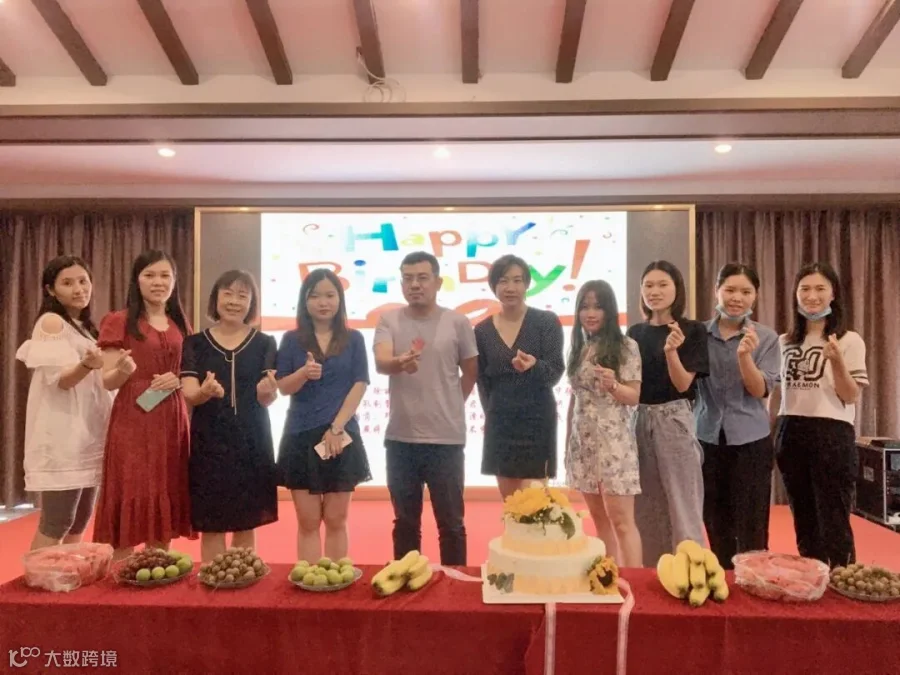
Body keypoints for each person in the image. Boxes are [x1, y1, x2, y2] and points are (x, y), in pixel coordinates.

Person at [373, 251, 478, 566]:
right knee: (405, 522)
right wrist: (399, 363)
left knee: (452, 523)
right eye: (408, 278)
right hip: (401, 439)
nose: (414, 284)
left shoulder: (457, 322)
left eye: (422, 277)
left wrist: (450, 404)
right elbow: (381, 362)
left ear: (438, 282)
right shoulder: (389, 320)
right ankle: (406, 582)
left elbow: (470, 372)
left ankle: (455, 584)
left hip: (446, 440)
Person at [93, 250, 193, 558]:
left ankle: (157, 571)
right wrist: (123, 371)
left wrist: (178, 379)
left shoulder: (179, 322)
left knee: (166, 488)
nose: (158, 282)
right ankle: (121, 575)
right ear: (136, 280)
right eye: (149, 275)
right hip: (134, 418)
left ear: (174, 281)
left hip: (172, 419)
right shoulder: (118, 321)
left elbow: (190, 371)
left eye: (165, 276)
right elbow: (108, 381)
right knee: (132, 487)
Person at [769, 262, 868, 568]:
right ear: (796, 294)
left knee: (834, 516)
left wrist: (836, 361)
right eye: (805, 289)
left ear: (833, 294)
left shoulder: (849, 340)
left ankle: (842, 580)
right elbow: (777, 394)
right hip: (790, 429)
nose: (812, 296)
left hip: (832, 432)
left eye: (820, 288)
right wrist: (769, 433)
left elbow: (850, 395)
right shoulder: (784, 341)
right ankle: (812, 578)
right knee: (804, 518)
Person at [16, 256, 114, 551]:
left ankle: (68, 572)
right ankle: (38, 575)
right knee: (57, 522)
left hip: (88, 435)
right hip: (63, 438)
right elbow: (61, 380)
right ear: (50, 290)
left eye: (83, 281)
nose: (79, 289)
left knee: (80, 520)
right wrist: (87, 365)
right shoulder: (52, 322)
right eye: (67, 283)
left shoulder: (85, 327)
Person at [181, 270, 279, 562]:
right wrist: (204, 392)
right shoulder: (194, 343)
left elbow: (267, 398)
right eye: (228, 294)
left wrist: (267, 392)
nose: (234, 301)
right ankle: (212, 580)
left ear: (251, 303)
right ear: (215, 299)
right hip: (208, 441)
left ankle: (243, 581)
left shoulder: (265, 343)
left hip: (252, 440)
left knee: (247, 519)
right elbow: (189, 393)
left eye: (242, 295)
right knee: (212, 521)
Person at [275, 268, 371, 562]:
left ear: (340, 299)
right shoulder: (291, 340)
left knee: (336, 519)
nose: (323, 302)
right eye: (315, 296)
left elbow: (360, 383)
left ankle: (337, 580)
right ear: (304, 301)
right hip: (300, 435)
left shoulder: (354, 338)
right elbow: (283, 387)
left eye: (330, 295)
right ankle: (309, 580)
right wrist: (303, 373)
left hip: (341, 435)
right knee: (307, 522)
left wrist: (337, 427)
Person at [694, 263, 780, 569]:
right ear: (716, 291)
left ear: (755, 296)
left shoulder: (766, 338)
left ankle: (753, 584)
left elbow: (760, 390)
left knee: (752, 524)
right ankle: (723, 582)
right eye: (729, 290)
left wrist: (744, 356)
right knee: (715, 521)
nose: (736, 298)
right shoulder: (698, 334)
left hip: (751, 441)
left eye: (746, 291)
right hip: (706, 438)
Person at [626, 260, 709, 567]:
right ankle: (655, 572)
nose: (655, 291)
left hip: (674, 417)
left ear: (677, 289)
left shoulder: (692, 330)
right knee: (645, 505)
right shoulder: (635, 332)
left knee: (683, 501)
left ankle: (691, 572)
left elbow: (683, 384)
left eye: (663, 285)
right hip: (638, 418)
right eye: (648, 285)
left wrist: (671, 351)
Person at [566, 280, 643, 567]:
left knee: (622, 521)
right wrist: (567, 444)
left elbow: (633, 396)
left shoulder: (626, 347)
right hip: (583, 445)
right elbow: (576, 398)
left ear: (609, 310)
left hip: (614, 445)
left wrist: (613, 385)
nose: (590, 313)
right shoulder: (579, 348)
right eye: (584, 307)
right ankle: (609, 578)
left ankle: (634, 583)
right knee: (599, 521)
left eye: (597, 306)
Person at [475, 254, 564, 499]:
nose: (510, 287)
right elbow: (482, 381)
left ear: (526, 284)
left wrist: (534, 366)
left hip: (537, 420)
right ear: (494, 286)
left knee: (535, 503)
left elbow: (556, 370)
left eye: (517, 280)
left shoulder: (546, 322)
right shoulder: (482, 330)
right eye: (503, 281)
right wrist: (492, 414)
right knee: (512, 504)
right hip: (501, 422)